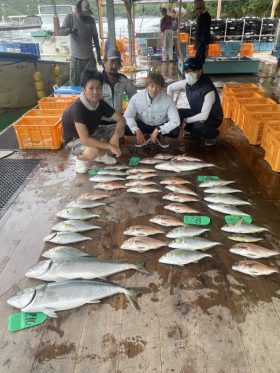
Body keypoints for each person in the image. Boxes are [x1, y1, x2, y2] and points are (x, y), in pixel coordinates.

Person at [62, 70, 126, 173]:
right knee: (92, 151)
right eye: (91, 88)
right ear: (84, 89)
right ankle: (80, 159)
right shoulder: (78, 108)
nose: (96, 92)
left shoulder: (99, 103)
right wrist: (110, 146)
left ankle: (100, 156)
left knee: (120, 130)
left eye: (99, 88)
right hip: (73, 141)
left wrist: (115, 136)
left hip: (91, 133)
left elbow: (121, 119)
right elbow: (85, 140)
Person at [167, 57, 223, 146]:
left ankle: (212, 136)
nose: (188, 74)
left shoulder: (208, 89)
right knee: (177, 113)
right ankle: (195, 134)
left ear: (199, 71)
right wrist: (170, 107)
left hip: (211, 118)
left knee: (198, 126)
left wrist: (186, 120)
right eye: (186, 72)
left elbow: (204, 116)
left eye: (191, 72)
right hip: (197, 111)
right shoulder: (188, 82)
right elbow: (170, 87)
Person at [124, 72, 180, 149]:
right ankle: (145, 134)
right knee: (124, 127)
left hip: (160, 125)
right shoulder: (136, 98)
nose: (154, 90)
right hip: (143, 124)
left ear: (161, 87)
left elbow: (175, 121)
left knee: (175, 130)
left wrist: (159, 129)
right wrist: (136, 129)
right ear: (147, 86)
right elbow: (128, 116)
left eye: (157, 87)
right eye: (152, 86)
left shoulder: (168, 100)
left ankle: (159, 134)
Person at [60, 0, 102, 86]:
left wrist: (98, 56)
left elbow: (95, 37)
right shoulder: (70, 17)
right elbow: (61, 32)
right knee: (74, 83)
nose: (86, 16)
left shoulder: (91, 20)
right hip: (76, 58)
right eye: (84, 14)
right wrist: (70, 30)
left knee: (92, 82)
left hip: (90, 58)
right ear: (78, 11)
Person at [101, 48, 137, 123]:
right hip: (101, 121)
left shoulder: (123, 80)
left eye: (117, 63)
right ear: (104, 63)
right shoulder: (98, 81)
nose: (114, 66)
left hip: (118, 121)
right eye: (111, 62)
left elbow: (134, 95)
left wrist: (131, 112)